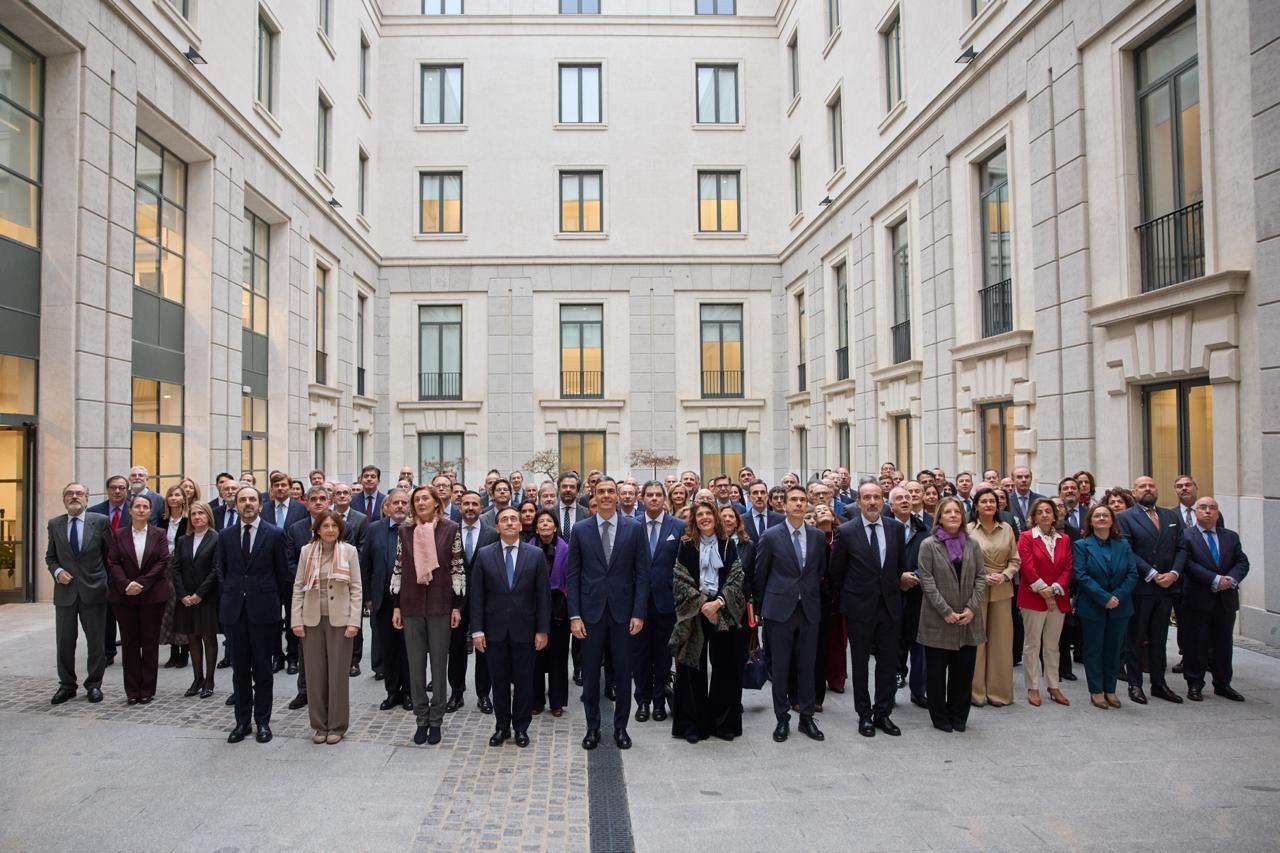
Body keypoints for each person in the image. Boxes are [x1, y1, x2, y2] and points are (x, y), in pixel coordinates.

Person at [567, 477, 650, 751]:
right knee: (590, 674)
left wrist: (639, 613)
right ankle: (592, 728)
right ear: (594, 495)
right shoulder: (580, 530)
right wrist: (574, 615)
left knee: (624, 673)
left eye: (610, 491)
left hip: (624, 614)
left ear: (618, 496)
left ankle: (621, 728)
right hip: (590, 614)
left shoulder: (635, 529)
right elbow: (573, 575)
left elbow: (642, 575)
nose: (605, 496)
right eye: (600, 491)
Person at [830, 481, 907, 738]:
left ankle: (883, 712)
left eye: (877, 497)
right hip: (859, 609)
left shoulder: (895, 529)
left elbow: (899, 568)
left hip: (889, 608)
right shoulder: (847, 531)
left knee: (887, 663)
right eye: (867, 498)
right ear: (859, 502)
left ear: (883, 501)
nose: (872, 502)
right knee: (860, 664)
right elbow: (836, 573)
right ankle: (864, 714)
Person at [472, 507, 551, 748]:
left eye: (513, 519)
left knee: (525, 682)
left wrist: (542, 630)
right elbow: (477, 596)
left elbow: (543, 597)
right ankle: (501, 726)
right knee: (499, 682)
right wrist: (477, 630)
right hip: (494, 631)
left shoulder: (535, 554)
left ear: (520, 525)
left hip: (525, 631)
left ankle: (521, 728)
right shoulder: (484, 555)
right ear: (496, 527)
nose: (509, 523)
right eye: (504, 520)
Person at [393, 485, 465, 746]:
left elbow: (457, 567)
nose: (421, 502)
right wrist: (396, 606)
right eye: (417, 499)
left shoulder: (451, 529)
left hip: (440, 604)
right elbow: (399, 567)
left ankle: (436, 720)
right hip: (411, 604)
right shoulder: (404, 531)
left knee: (438, 665)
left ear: (437, 502)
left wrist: (457, 605)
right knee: (415, 667)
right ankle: (421, 719)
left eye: (426, 498)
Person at [754, 486, 826, 744]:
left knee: (807, 666)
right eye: (793, 500)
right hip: (779, 611)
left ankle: (806, 717)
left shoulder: (817, 536)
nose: (798, 504)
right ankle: (782, 718)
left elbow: (819, 572)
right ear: (784, 505)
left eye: (802, 500)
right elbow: (760, 575)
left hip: (808, 609)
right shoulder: (771, 536)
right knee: (781, 668)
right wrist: (765, 609)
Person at [219, 485, 291, 743]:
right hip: (235, 613)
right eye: (242, 500)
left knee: (262, 671)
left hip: (264, 613)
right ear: (235, 505)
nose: (247, 504)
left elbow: (282, 575)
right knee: (239, 672)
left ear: (261, 505)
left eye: (252, 499)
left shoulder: (274, 534)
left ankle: (263, 722)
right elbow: (223, 572)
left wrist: (284, 611)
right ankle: (242, 722)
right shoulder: (225, 536)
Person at [669, 501, 746, 743]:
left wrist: (719, 603)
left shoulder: (728, 545)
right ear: (694, 519)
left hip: (721, 609)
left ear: (715, 517)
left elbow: (736, 578)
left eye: (708, 514)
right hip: (695, 609)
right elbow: (679, 579)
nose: (704, 518)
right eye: (699, 514)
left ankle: (723, 724)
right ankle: (693, 724)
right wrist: (703, 604)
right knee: (692, 666)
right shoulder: (687, 545)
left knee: (725, 667)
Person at [291, 510, 363, 744]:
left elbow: (356, 588)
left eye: (334, 526)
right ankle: (319, 725)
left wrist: (354, 621)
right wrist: (296, 620)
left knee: (338, 675)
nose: (330, 530)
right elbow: (298, 586)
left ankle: (337, 725)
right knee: (315, 674)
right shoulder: (306, 551)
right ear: (318, 530)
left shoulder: (349, 552)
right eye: (325, 526)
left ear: (340, 529)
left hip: (340, 621)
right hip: (311, 620)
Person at [915, 497, 985, 732]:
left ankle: (959, 715)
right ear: (940, 518)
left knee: (963, 673)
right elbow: (926, 579)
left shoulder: (972, 545)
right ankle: (940, 717)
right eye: (948, 512)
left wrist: (971, 608)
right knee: (936, 674)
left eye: (957, 512)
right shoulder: (929, 545)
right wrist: (945, 611)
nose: (954, 515)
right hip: (938, 619)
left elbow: (980, 578)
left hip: (967, 619)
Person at [1116, 476, 1187, 705]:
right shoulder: (1125, 518)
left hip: (1166, 588)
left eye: (1151, 485)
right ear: (1134, 492)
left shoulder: (1171, 516)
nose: (1147, 489)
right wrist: (1153, 575)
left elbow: (1181, 548)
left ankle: (1159, 684)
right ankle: (1135, 684)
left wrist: (1174, 574)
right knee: (1135, 638)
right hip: (1142, 588)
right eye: (1142, 486)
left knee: (1160, 638)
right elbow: (1127, 550)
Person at [46, 482, 112, 704]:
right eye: (69, 494)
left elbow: (109, 556)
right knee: (64, 642)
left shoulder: (100, 522)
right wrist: (57, 571)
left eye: (79, 493)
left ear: (87, 498)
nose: (74, 497)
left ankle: (94, 685)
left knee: (96, 642)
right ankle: (66, 685)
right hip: (65, 593)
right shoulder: (55, 524)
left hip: (94, 591)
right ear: (64, 498)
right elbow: (50, 557)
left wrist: (107, 585)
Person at [1180, 497, 1248, 702]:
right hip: (1197, 599)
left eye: (1212, 508)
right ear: (1195, 513)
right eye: (1203, 508)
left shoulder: (1231, 536)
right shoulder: (1185, 536)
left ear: (1218, 513)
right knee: (1196, 644)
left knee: (1224, 644)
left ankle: (1223, 684)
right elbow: (1188, 564)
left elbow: (1242, 562)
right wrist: (1215, 579)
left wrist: (1231, 579)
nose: (1208, 511)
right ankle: (1194, 684)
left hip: (1225, 600)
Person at [106, 494, 171, 705]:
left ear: (150, 512)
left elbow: (163, 561)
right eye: (137, 506)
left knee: (150, 643)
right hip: (124, 597)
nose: (141, 510)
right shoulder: (119, 534)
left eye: (145, 507)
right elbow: (113, 562)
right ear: (130, 510)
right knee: (130, 643)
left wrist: (142, 583)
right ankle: (132, 690)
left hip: (152, 595)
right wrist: (126, 584)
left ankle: (147, 689)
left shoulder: (159, 534)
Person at [1073, 504, 1138, 710]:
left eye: (1106, 515)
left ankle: (1110, 689)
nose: (1102, 518)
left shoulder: (1123, 544)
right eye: (1097, 515)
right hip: (1093, 606)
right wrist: (1104, 598)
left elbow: (1132, 574)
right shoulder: (1082, 545)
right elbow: (1081, 575)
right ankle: (1096, 691)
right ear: (1090, 521)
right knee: (1094, 650)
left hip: (1119, 606)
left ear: (1112, 520)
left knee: (1114, 650)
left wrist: (1116, 596)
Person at [633, 481, 684, 724]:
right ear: (641, 499)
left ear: (664, 499)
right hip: (638, 603)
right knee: (640, 654)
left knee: (663, 654)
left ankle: (659, 700)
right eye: (649, 495)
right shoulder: (631, 526)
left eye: (657, 495)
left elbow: (684, 566)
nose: (653, 499)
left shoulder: (679, 526)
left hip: (667, 602)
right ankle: (642, 701)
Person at [1016, 498, 1072, 707]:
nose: (1045, 515)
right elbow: (1027, 568)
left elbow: (1068, 566)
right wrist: (1044, 590)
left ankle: (1053, 685)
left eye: (1049, 511)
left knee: (1052, 645)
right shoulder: (1026, 537)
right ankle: (1032, 686)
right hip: (1033, 597)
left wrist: (1055, 589)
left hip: (1058, 597)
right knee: (1032, 644)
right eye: (1040, 512)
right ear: (1034, 517)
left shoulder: (1064, 539)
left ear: (1055, 516)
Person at [967, 486, 1021, 707]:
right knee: (977, 642)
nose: (989, 504)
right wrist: (984, 575)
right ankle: (976, 692)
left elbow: (1015, 560)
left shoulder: (1007, 528)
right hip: (976, 589)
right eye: (984, 501)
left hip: (1002, 590)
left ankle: (999, 692)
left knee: (1001, 642)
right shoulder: (968, 529)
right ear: (976, 506)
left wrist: (1005, 575)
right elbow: (962, 560)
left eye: (992, 501)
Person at [362, 488, 412, 712]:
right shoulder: (374, 530)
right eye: (396, 503)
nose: (400, 506)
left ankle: (410, 693)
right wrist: (368, 597)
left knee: (409, 649)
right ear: (388, 506)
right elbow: (366, 565)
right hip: (383, 600)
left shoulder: (416, 529)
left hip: (411, 601)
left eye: (404, 502)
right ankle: (392, 692)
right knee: (388, 648)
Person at [451, 490, 497, 713]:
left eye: (474, 504)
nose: (470, 508)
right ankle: (456, 693)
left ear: (482, 508)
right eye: (466, 504)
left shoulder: (491, 533)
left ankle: (483, 694)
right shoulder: (450, 531)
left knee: (483, 648)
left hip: (485, 600)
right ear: (460, 507)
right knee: (456, 648)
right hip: (456, 601)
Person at [170, 501, 221, 699]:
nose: (197, 517)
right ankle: (197, 678)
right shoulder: (183, 539)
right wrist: (182, 594)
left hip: (206, 598)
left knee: (208, 636)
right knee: (192, 637)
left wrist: (200, 594)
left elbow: (216, 570)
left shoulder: (216, 538)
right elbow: (175, 568)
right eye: (193, 514)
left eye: (201, 513)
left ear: (208, 516)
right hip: (186, 598)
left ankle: (209, 679)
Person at [888, 485, 930, 708]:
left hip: (919, 594)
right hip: (891, 595)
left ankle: (919, 690)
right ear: (891, 504)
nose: (906, 500)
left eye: (908, 497)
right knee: (893, 644)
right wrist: (897, 579)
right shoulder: (883, 527)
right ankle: (892, 686)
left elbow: (934, 558)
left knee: (919, 644)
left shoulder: (925, 527)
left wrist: (915, 576)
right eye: (900, 498)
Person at [530, 509, 570, 716]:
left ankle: (556, 702)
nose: (545, 524)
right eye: (541, 522)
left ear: (555, 527)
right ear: (536, 527)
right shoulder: (527, 548)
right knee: (535, 658)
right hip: (533, 609)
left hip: (559, 610)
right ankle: (536, 701)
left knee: (558, 658)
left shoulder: (567, 549)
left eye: (549, 521)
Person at [159, 484, 191, 671]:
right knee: (168, 610)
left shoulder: (188, 521)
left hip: (183, 569)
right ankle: (173, 652)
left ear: (183, 499)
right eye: (170, 495)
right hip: (165, 569)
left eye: (177, 495)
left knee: (181, 609)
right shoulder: (162, 521)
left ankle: (184, 652)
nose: (173, 498)